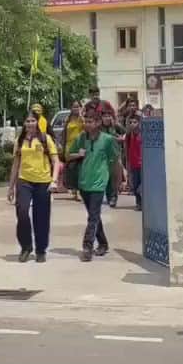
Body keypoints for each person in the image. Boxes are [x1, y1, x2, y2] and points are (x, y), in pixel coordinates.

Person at [68, 108, 120, 262]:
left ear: (98, 122)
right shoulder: (81, 138)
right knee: (94, 216)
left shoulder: (107, 140)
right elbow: (68, 155)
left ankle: (87, 246)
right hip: (84, 183)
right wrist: (78, 154)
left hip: (99, 183)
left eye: (90, 121)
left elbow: (115, 161)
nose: (86, 124)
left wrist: (117, 182)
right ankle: (103, 243)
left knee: (92, 217)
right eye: (85, 121)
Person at [8, 113, 61, 263]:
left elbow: (55, 161)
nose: (30, 123)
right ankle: (26, 247)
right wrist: (11, 187)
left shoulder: (45, 139)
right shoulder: (19, 140)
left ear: (37, 123)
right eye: (27, 121)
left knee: (42, 216)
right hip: (24, 181)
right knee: (22, 212)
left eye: (33, 121)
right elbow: (15, 165)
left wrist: (54, 180)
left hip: (43, 182)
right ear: (24, 123)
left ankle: (41, 250)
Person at [100, 111, 126, 208]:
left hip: (115, 155)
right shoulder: (99, 128)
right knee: (106, 178)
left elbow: (126, 133)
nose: (107, 118)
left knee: (115, 179)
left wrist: (121, 138)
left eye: (108, 116)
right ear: (101, 118)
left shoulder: (116, 126)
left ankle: (114, 197)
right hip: (103, 157)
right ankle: (109, 196)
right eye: (105, 116)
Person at [125, 114, 144, 211]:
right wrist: (128, 164)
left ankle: (144, 203)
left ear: (139, 123)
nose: (133, 124)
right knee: (135, 185)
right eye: (131, 122)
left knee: (142, 185)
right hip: (133, 164)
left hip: (142, 165)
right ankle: (138, 203)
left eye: (135, 122)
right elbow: (127, 150)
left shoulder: (143, 134)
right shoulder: (129, 135)